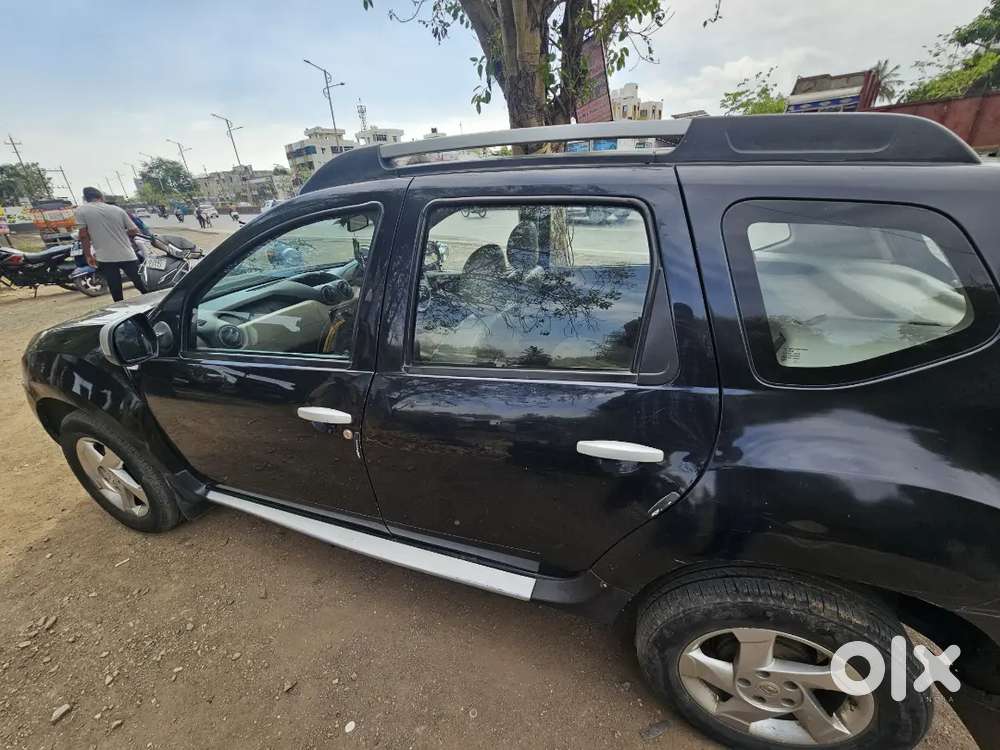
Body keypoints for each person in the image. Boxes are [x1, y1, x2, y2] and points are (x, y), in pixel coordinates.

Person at [75, 187, 147, 303]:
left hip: (105, 257)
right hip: (127, 254)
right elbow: (134, 230)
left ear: (85, 199)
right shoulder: (117, 210)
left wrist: (88, 255)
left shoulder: (81, 211)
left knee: (115, 287)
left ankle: (121, 310)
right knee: (141, 284)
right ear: (101, 197)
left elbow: (83, 235)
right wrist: (122, 233)